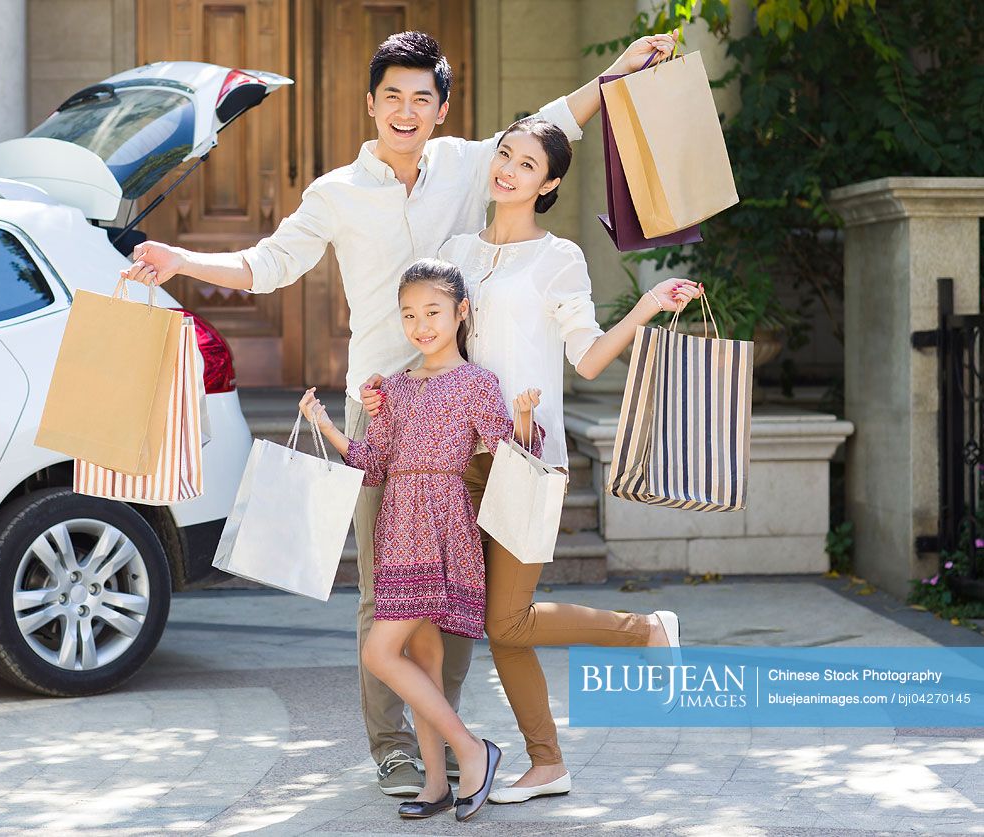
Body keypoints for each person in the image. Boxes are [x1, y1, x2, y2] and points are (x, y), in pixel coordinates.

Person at [123, 29, 681, 795]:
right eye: (393, 96)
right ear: (371, 103)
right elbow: (267, 264)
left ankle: (444, 737)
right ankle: (391, 745)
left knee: (457, 592)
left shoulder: (466, 166)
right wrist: (182, 260)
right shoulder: (334, 193)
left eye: (423, 97)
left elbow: (550, 127)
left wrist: (616, 74)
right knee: (385, 592)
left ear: (442, 107)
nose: (406, 110)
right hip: (380, 408)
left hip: (465, 411)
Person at [361, 116, 699, 804]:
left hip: (523, 456)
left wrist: (643, 309)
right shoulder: (456, 247)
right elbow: (432, 332)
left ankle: (644, 630)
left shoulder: (558, 257)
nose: (508, 170)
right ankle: (545, 762)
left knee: (504, 619)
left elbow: (588, 353)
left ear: (547, 183)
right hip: (456, 463)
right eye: (505, 155)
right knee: (469, 621)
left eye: (526, 164)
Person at [300, 259, 541, 821]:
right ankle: (436, 782)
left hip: (445, 522)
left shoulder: (478, 383)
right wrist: (326, 423)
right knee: (423, 659)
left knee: (381, 651)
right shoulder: (396, 388)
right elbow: (371, 465)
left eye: (432, 312)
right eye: (409, 315)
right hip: (399, 525)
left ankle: (472, 751)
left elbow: (510, 453)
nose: (420, 325)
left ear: (460, 313)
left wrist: (525, 418)